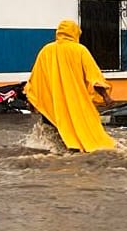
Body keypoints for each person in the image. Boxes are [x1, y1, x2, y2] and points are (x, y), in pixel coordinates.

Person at [24, 19, 116, 153]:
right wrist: (106, 97)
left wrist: (32, 102)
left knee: (53, 140)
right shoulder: (80, 50)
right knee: (86, 137)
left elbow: (35, 79)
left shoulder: (46, 51)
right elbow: (95, 78)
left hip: (53, 106)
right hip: (76, 105)